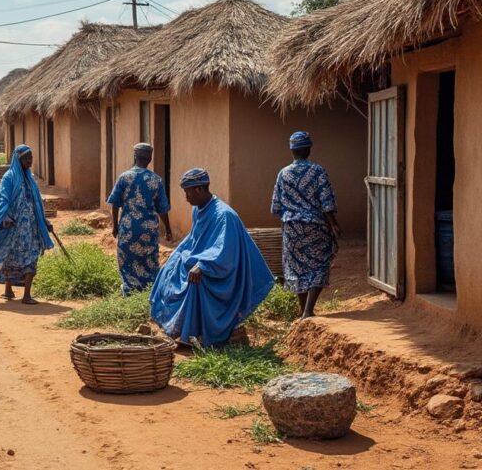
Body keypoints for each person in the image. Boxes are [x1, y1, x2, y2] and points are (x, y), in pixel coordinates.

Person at [150, 168, 274, 347]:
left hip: (225, 271)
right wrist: (178, 253)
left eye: (188, 192)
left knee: (196, 279)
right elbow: (194, 238)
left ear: (199, 189)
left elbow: (225, 252)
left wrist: (203, 265)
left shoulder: (224, 215)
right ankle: (175, 327)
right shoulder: (199, 209)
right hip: (203, 258)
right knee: (168, 268)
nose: (186, 197)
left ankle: (195, 334)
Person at [271, 131, 340, 319]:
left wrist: (292, 218)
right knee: (320, 263)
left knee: (296, 269)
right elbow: (326, 201)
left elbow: (276, 206)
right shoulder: (318, 171)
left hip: (291, 228)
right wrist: (333, 224)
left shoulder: (282, 174)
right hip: (315, 227)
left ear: (292, 151)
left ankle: (303, 310)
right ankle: (309, 310)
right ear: (308, 149)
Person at [0, 144, 54, 305]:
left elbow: (36, 203)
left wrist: (45, 221)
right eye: (27, 158)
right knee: (10, 258)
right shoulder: (9, 177)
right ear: (18, 159)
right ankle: (8, 290)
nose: (30, 161)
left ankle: (27, 294)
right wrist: (4, 216)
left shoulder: (30, 179)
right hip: (14, 227)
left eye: (31, 158)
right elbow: (2, 199)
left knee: (31, 257)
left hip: (31, 228)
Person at [108, 143, 173, 295]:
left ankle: (129, 290)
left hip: (128, 227)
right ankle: (149, 291)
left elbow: (115, 203)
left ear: (135, 156)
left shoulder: (124, 177)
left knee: (127, 259)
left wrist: (115, 226)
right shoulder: (156, 180)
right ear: (150, 158)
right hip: (148, 229)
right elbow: (162, 209)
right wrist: (168, 230)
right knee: (149, 259)